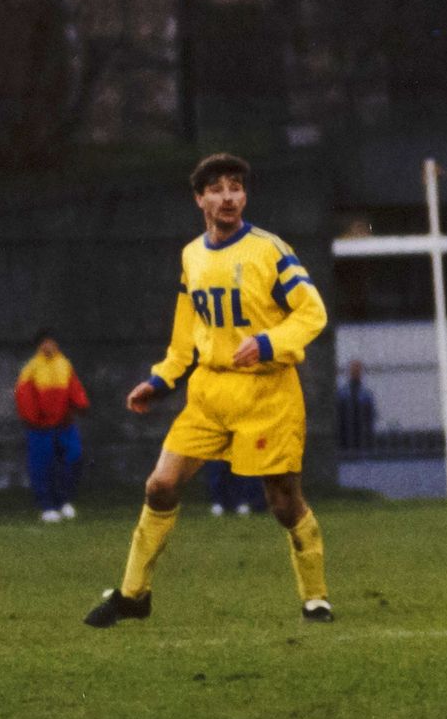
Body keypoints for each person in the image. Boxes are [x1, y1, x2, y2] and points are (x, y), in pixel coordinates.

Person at [84, 153, 334, 628]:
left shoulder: (270, 250)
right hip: (209, 394)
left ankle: (315, 596)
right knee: (160, 485)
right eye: (217, 189)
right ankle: (134, 594)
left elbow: (312, 312)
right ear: (199, 198)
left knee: (283, 502)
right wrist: (161, 380)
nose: (228, 197)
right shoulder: (192, 256)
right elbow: (187, 332)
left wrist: (266, 342)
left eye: (236, 187)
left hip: (267, 394)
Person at [14, 331, 88, 524]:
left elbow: (74, 388)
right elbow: (24, 396)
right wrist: (34, 419)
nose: (49, 346)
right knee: (42, 466)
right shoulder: (32, 368)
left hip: (64, 423)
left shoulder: (64, 364)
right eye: (45, 343)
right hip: (40, 427)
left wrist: (81, 404)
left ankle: (63, 501)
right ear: (39, 345)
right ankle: (47, 506)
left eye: (52, 342)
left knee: (73, 457)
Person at [336, 359, 378, 453]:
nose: (355, 372)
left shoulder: (365, 394)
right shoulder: (343, 393)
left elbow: (370, 416)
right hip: (345, 435)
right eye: (353, 370)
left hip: (360, 435)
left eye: (357, 370)